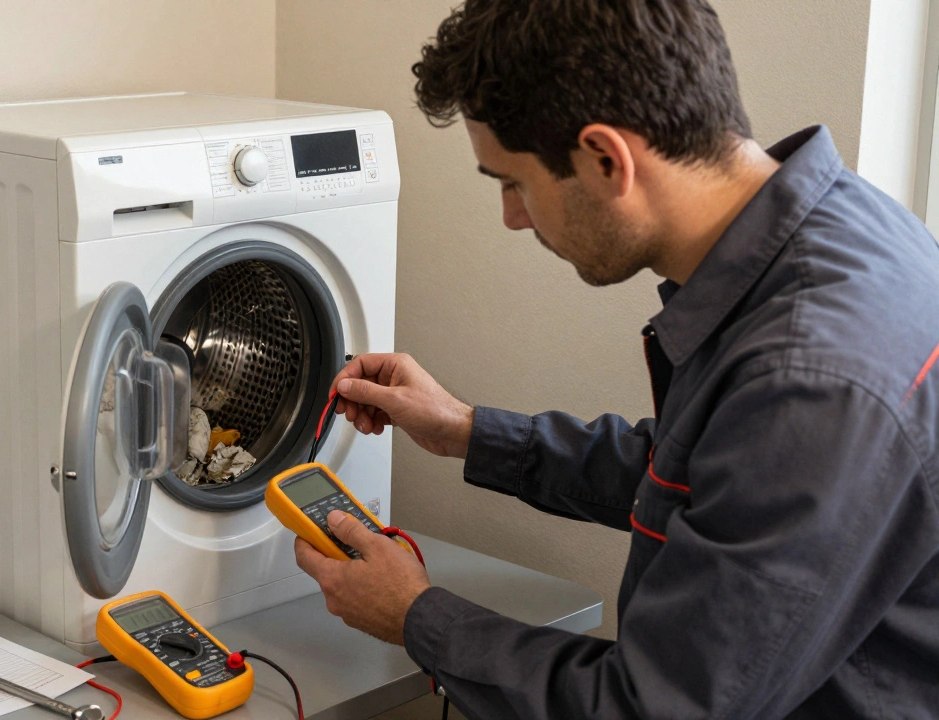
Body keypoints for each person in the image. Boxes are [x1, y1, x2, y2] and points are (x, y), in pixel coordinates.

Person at [292, 1, 939, 717]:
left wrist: (414, 614)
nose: (512, 216)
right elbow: (711, 478)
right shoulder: (840, 231)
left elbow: (649, 709)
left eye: (512, 182)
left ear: (606, 159)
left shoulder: (812, 380)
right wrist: (466, 429)